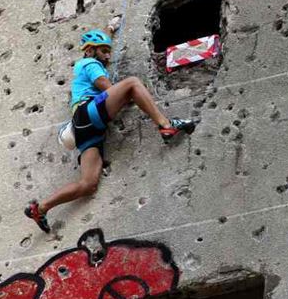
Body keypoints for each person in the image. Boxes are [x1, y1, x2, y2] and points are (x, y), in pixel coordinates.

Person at [24, 18, 196, 233]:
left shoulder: (87, 61)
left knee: (88, 184)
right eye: (104, 51)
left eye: (109, 51)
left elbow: (100, 44)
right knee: (132, 84)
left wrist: (111, 28)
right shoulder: (90, 64)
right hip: (88, 114)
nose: (108, 55)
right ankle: (165, 124)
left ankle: (41, 208)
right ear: (90, 51)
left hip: (85, 129)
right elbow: (109, 88)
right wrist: (132, 96)